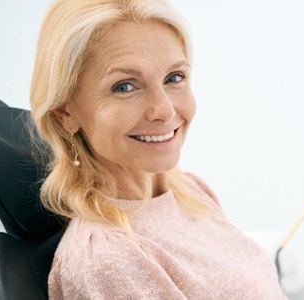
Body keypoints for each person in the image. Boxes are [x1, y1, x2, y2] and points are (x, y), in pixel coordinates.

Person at [30, 0, 287, 299]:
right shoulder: (109, 259)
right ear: (66, 112)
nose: (164, 110)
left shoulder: (190, 191)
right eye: (124, 86)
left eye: (174, 78)